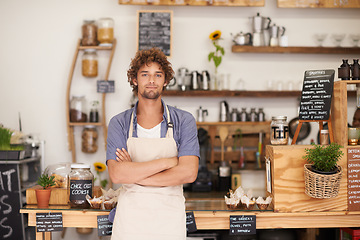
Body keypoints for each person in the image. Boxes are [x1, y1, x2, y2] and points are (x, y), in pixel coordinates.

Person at [106, 48, 200, 240]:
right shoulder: (120, 123)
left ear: (165, 80)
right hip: (130, 221)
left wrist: (134, 174)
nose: (151, 80)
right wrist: (168, 162)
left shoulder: (184, 121)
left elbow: (189, 173)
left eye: (158, 75)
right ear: (134, 80)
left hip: (169, 221)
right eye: (145, 74)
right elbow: (117, 174)